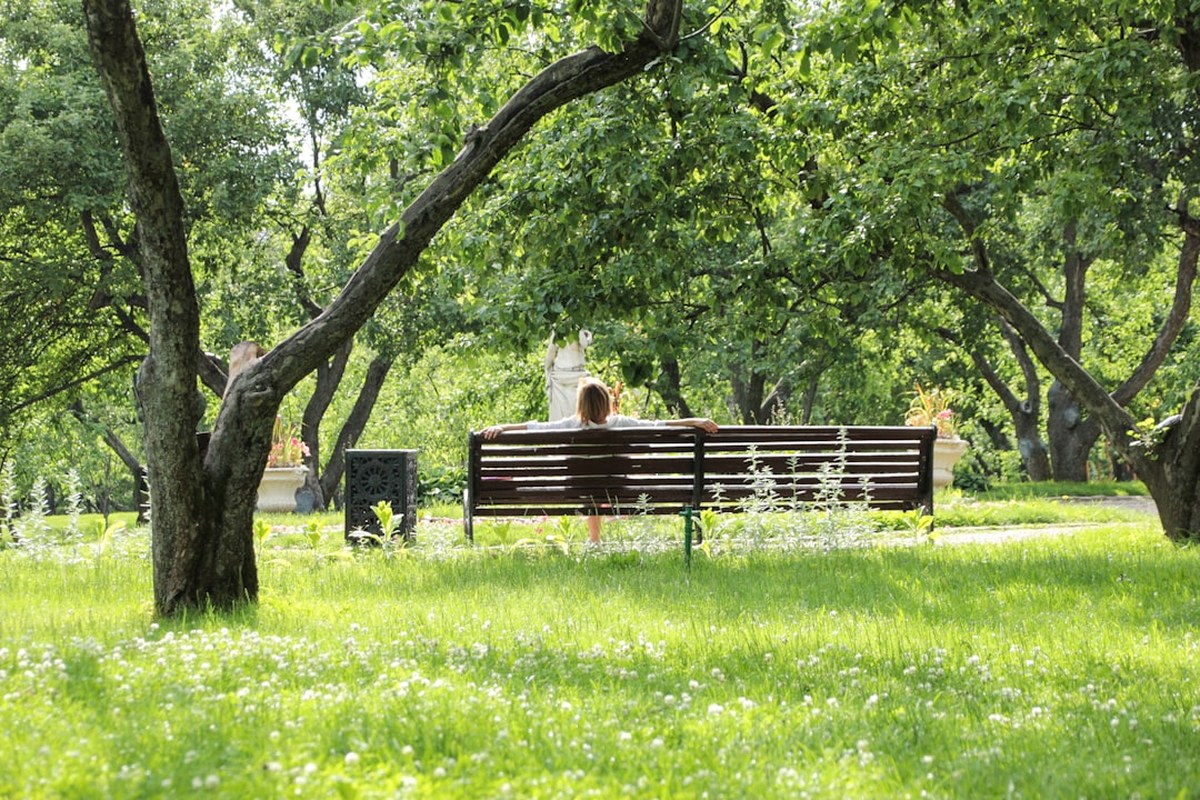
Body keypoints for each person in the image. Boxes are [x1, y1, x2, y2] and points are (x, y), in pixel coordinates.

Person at [481, 377, 718, 543]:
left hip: (578, 487)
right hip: (616, 486)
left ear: (580, 404)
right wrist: (693, 421)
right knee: (602, 482)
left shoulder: (570, 424)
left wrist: (502, 427)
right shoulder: (622, 423)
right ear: (606, 401)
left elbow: (534, 427)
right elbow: (658, 425)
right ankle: (597, 537)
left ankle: (595, 541)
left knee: (591, 486)